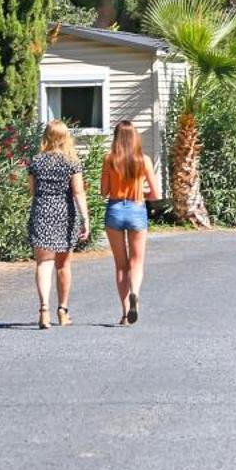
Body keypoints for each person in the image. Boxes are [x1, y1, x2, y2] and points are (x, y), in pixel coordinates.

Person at [27, 119, 91, 329]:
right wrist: (85, 218)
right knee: (63, 265)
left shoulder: (35, 162)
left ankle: (44, 309)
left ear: (46, 137)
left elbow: (33, 191)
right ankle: (62, 311)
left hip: (42, 212)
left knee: (43, 264)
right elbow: (78, 192)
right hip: (65, 213)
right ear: (65, 138)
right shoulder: (71, 162)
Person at [101, 120, 159, 325]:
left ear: (116, 138)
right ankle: (135, 291)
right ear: (135, 137)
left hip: (115, 209)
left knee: (120, 265)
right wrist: (140, 190)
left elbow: (104, 191)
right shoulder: (143, 160)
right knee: (137, 261)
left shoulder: (109, 159)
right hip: (136, 208)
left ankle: (125, 313)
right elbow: (155, 194)